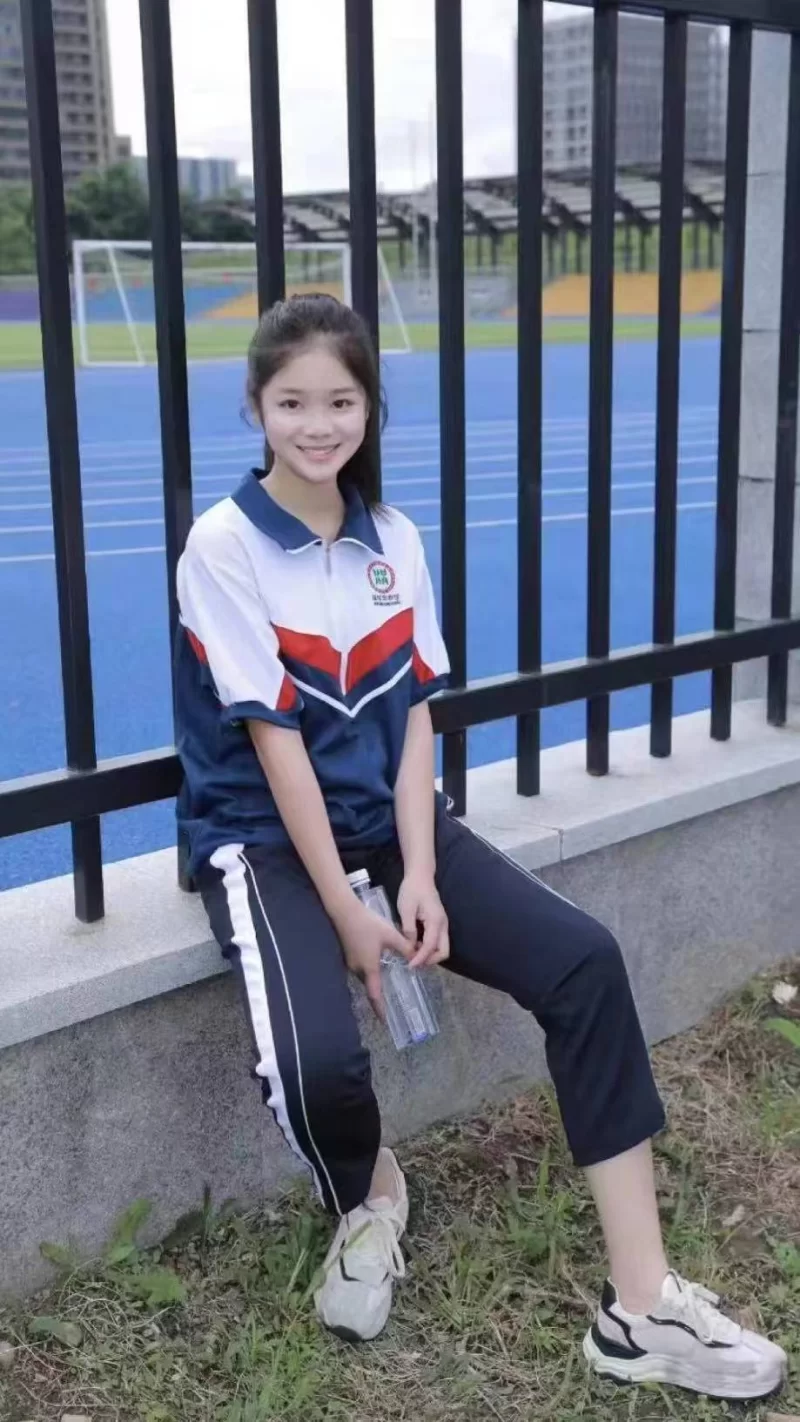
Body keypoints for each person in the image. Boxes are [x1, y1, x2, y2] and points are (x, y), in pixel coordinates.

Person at [174, 293, 786, 1399]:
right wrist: (348, 912)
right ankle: (370, 1195)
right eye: (292, 402)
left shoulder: (394, 540)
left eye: (340, 401)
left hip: (389, 825)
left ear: (370, 406)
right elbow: (275, 745)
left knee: (583, 963)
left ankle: (641, 1305)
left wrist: (416, 869)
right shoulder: (223, 545)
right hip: (263, 843)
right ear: (255, 407)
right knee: (319, 1067)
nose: (317, 424)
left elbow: (415, 717)